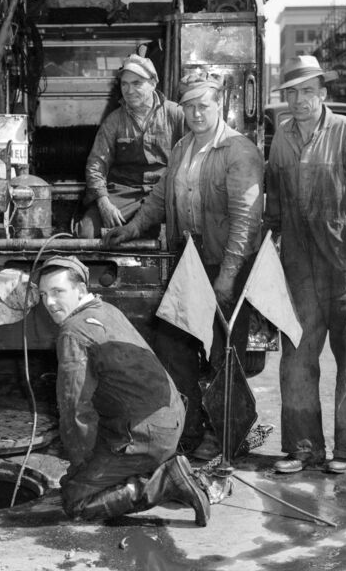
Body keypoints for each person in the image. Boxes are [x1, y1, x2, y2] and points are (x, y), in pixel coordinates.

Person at [104, 74, 264, 452]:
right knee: (173, 343)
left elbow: (246, 219)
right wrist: (131, 229)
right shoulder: (182, 148)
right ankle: (190, 433)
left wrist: (227, 275)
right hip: (189, 262)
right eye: (189, 106)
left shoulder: (238, 150)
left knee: (227, 353)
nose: (195, 113)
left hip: (227, 264)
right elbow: (160, 198)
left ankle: (230, 439)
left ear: (219, 105)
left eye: (203, 106)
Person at [263, 56, 346, 475]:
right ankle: (303, 447)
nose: (299, 100)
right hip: (299, 265)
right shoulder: (281, 139)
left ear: (322, 93)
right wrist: (272, 243)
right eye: (292, 93)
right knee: (297, 357)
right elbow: (277, 202)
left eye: (307, 91)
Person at [36, 256, 211, 526]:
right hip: (170, 421)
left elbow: (75, 409)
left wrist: (81, 464)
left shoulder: (73, 332)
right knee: (80, 478)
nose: (49, 302)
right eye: (43, 294)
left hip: (145, 434)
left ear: (80, 290)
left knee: (74, 499)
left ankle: (164, 482)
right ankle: (157, 468)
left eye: (58, 292)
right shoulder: (106, 309)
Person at [78, 54, 185, 238]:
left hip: (165, 191)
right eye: (124, 84)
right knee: (86, 232)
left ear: (153, 83)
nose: (129, 90)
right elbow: (96, 165)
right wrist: (104, 203)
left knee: (184, 235)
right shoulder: (114, 121)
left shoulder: (176, 114)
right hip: (124, 192)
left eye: (137, 83)